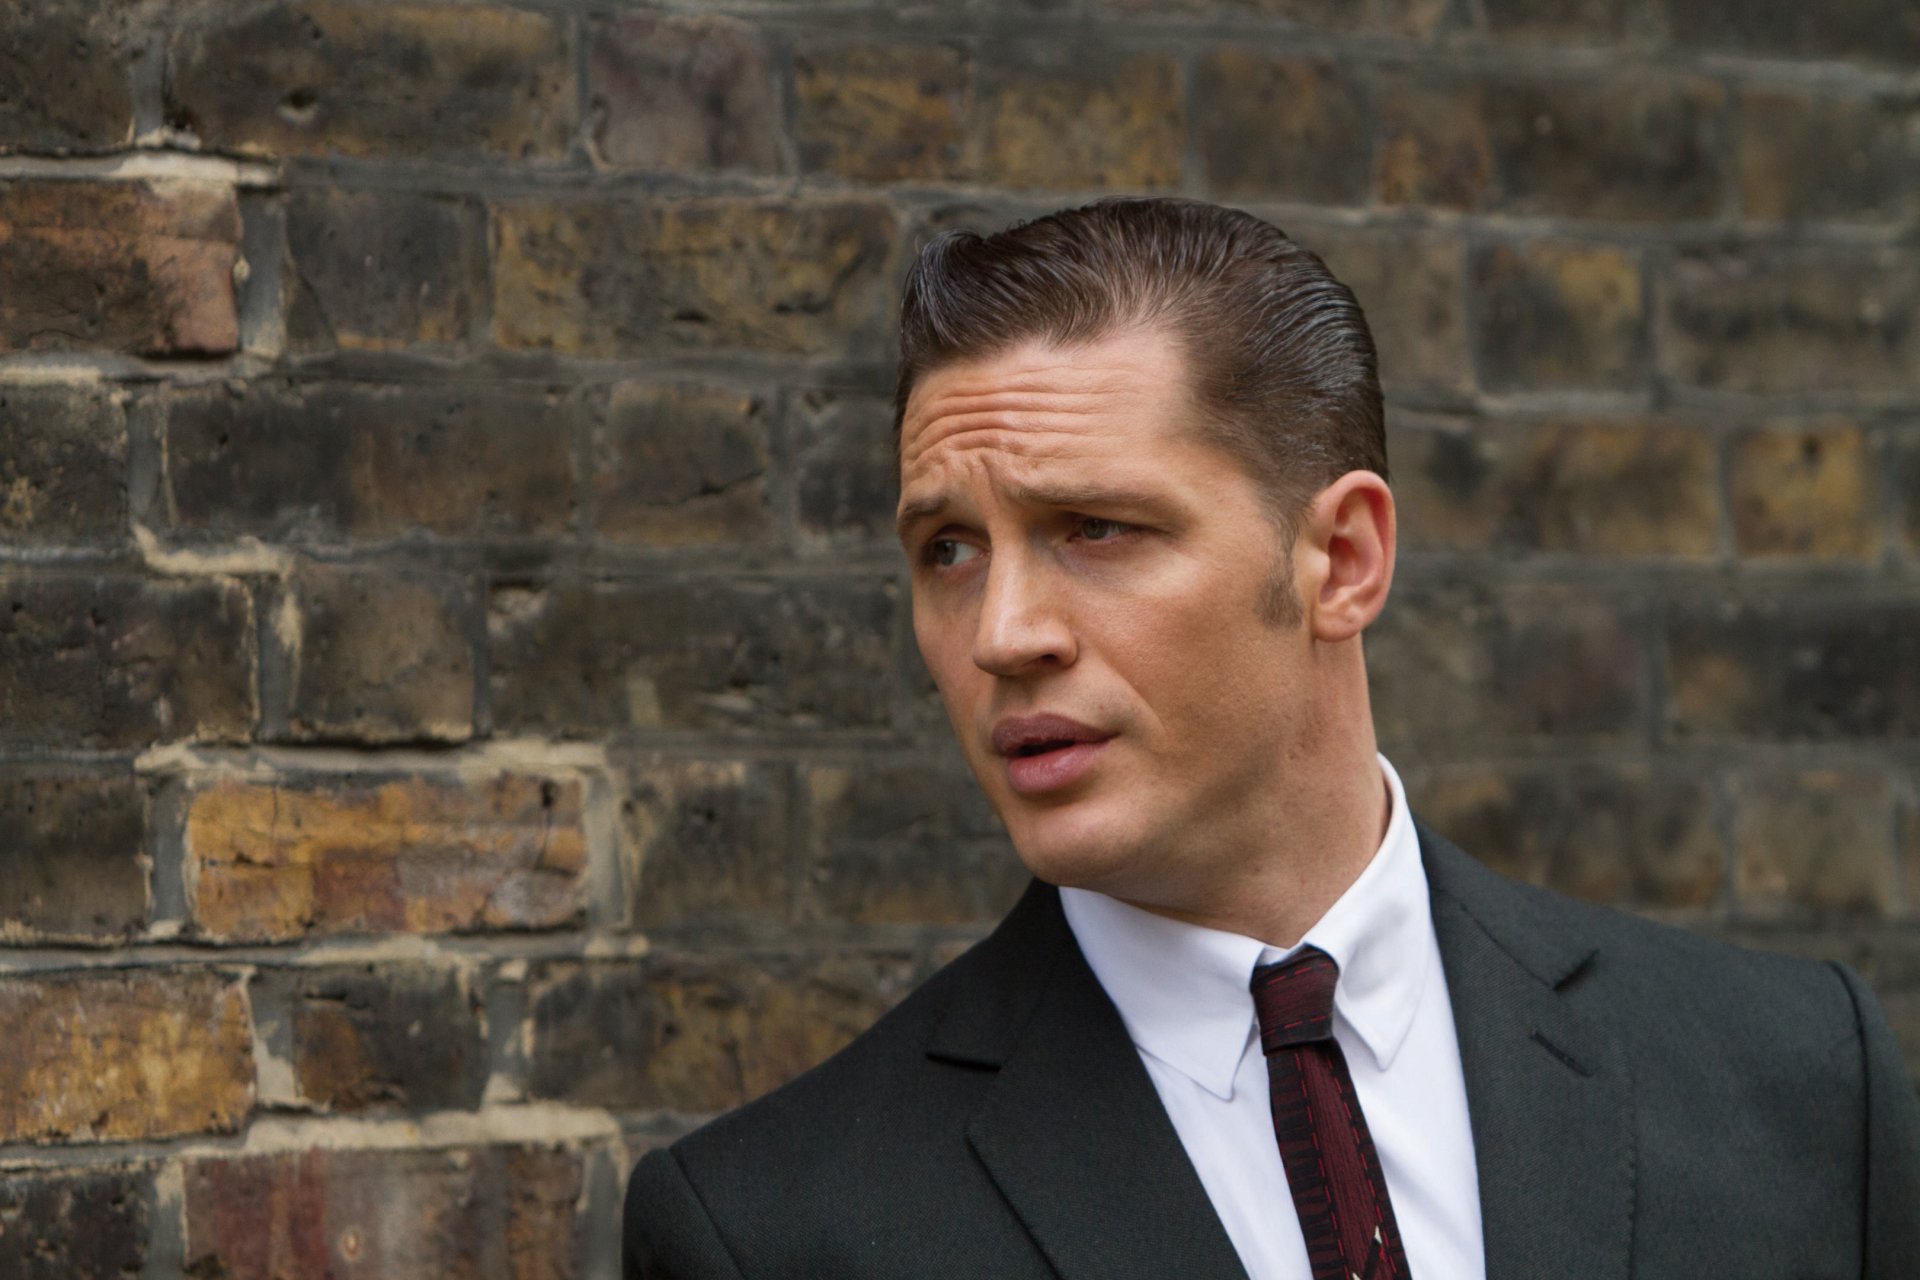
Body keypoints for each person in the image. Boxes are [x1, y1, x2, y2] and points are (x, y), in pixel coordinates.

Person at [623, 197, 1920, 1279]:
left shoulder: (1799, 1080)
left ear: (1342, 559)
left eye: (1096, 529)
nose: (1002, 634)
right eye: (948, 550)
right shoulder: (773, 1228)